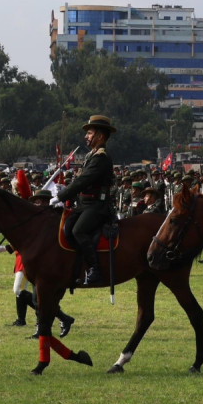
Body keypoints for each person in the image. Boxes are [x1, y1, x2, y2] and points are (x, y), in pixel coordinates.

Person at [0, 189, 75, 338]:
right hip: (33, 262)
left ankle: (54, 322)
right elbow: (24, 239)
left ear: (47, 201)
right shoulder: (33, 220)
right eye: (37, 201)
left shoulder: (53, 217)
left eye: (42, 201)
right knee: (36, 299)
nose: (39, 203)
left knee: (38, 297)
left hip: (48, 263)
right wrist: (7, 247)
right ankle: (49, 324)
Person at [57, 115, 116, 286]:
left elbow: (84, 180)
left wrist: (61, 196)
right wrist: (65, 190)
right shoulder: (92, 155)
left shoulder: (101, 158)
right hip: (85, 205)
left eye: (89, 133)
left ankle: (95, 270)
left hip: (98, 206)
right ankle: (78, 268)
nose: (86, 136)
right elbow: (80, 182)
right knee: (67, 229)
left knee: (78, 231)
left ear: (100, 136)